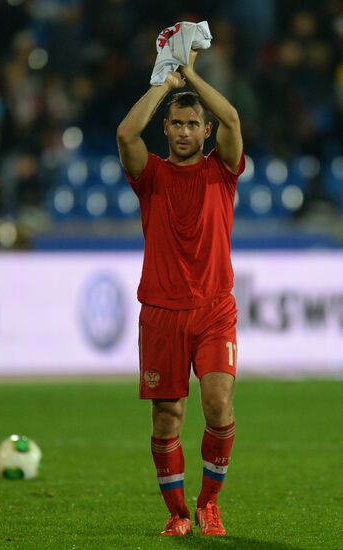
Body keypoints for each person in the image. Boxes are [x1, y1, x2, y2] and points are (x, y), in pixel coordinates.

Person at [117, 48, 244, 537]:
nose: (186, 131)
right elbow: (126, 134)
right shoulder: (149, 175)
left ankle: (209, 504)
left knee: (218, 403)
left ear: (204, 131)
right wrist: (162, 86)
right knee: (167, 417)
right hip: (162, 310)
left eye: (194, 123)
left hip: (214, 308)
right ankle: (176, 514)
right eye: (178, 123)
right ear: (166, 128)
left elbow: (231, 115)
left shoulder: (222, 171)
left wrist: (189, 73)